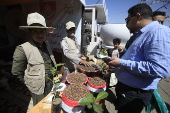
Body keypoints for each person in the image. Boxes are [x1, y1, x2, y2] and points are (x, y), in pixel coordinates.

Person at [105, 3, 170, 113]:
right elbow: (136, 60)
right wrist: (117, 68)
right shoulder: (142, 34)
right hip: (127, 89)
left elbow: (160, 69)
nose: (127, 24)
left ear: (138, 16)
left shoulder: (158, 32)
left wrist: (121, 63)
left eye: (128, 19)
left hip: (134, 93)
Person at [12, 12, 56, 106]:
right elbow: (16, 72)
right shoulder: (22, 49)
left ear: (45, 32)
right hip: (37, 87)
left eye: (42, 32)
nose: (40, 35)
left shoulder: (46, 44)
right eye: (35, 31)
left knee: (50, 104)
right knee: (40, 107)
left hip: (51, 82)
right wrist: (30, 84)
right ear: (30, 32)